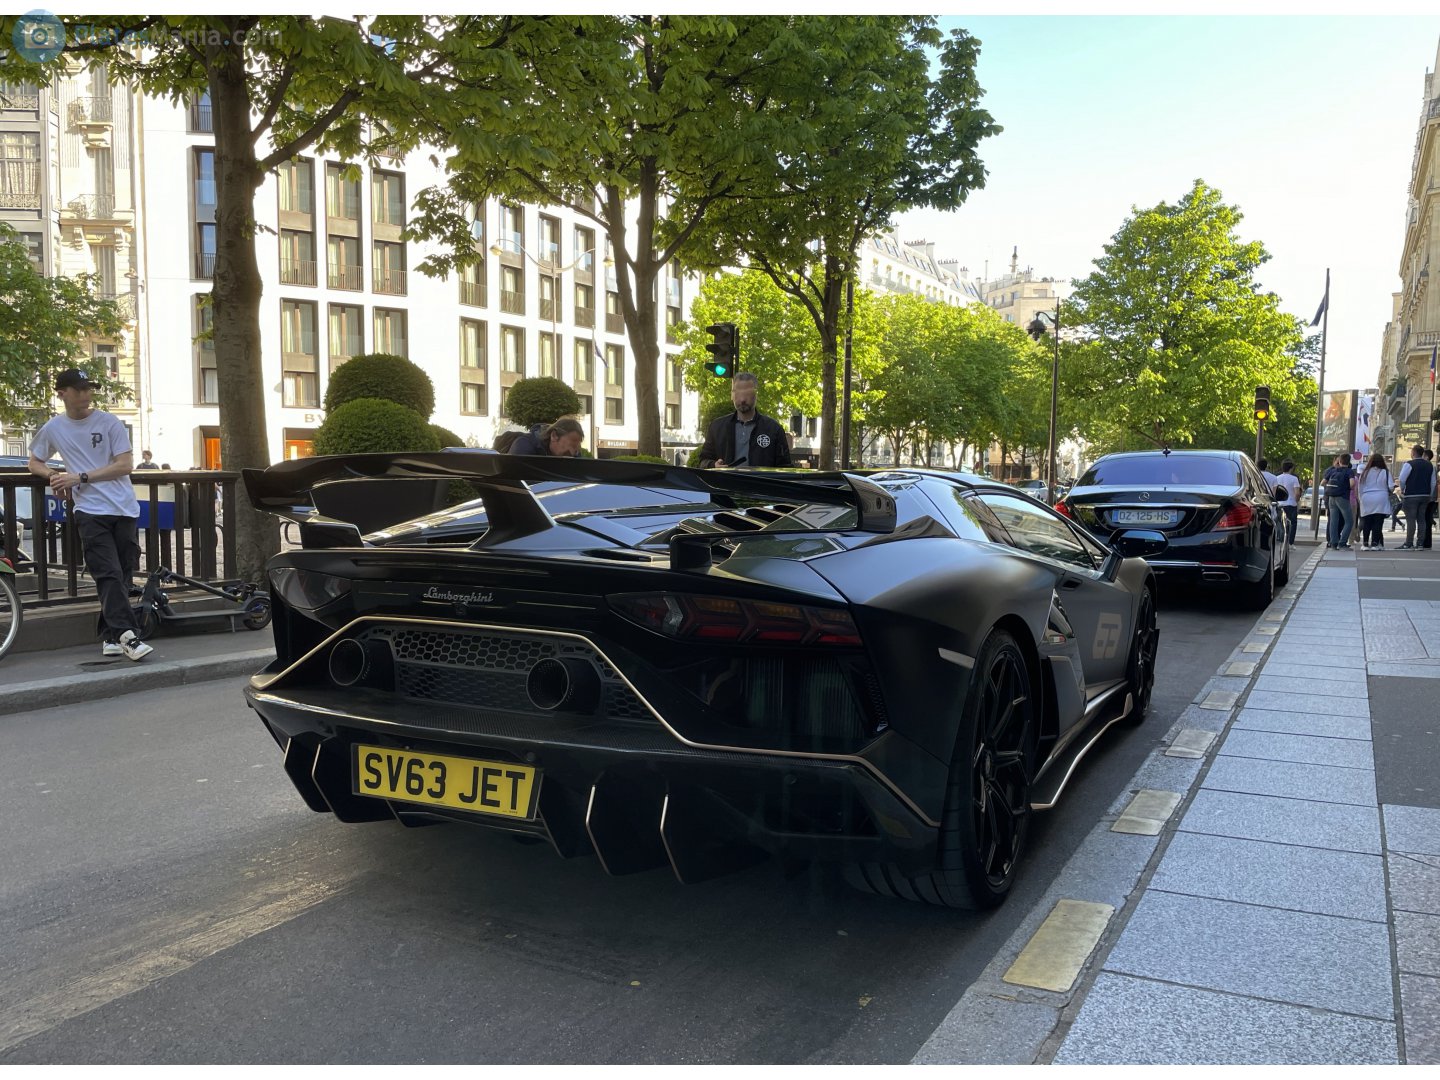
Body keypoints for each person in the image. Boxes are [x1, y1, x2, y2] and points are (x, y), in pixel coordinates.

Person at [27, 368, 152, 661]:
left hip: (123, 507)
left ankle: (110, 635)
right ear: (62, 393)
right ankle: (129, 637)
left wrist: (79, 478)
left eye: (89, 389)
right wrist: (53, 476)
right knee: (106, 572)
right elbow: (34, 461)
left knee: (121, 574)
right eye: (79, 389)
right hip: (89, 510)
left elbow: (125, 465)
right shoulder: (54, 428)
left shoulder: (109, 422)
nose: (86, 395)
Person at [698, 372, 792, 468]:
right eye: (738, 394)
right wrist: (713, 465)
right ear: (732, 395)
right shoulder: (717, 427)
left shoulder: (773, 429)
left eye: (747, 394)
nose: (742, 399)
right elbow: (703, 461)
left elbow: (785, 467)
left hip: (760, 483)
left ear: (756, 395)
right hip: (726, 482)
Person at [1397, 444, 1435, 551]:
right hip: (1425, 495)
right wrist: (1430, 494)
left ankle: (1409, 543)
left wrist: (1403, 490)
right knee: (1421, 519)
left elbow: (1402, 479)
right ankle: (1420, 544)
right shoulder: (1429, 465)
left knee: (1411, 519)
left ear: (1413, 453)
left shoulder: (1409, 464)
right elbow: (1433, 482)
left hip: (1411, 495)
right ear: (1422, 453)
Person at [1355, 452, 1392, 551]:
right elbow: (1391, 486)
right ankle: (1375, 543)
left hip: (1367, 497)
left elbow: (1360, 487)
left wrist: (1360, 499)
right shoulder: (1386, 472)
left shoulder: (1365, 472)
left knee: (1367, 521)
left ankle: (1365, 544)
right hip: (1381, 497)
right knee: (1378, 522)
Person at [1322, 452, 1356, 550]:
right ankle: (1342, 542)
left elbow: (1323, 482)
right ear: (1349, 462)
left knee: (1333, 521)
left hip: (1331, 498)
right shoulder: (1349, 471)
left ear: (1339, 461)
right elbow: (1352, 484)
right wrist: (1346, 488)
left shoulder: (1332, 471)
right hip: (1343, 497)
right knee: (1349, 521)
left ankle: (1333, 543)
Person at [504, 417, 585, 458]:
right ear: (554, 436)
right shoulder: (524, 446)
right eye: (572, 446)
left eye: (577, 449)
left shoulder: (573, 455)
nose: (573, 452)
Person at [1275, 459, 1302, 545]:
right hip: (1291, 504)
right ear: (1291, 468)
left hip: (1280, 504)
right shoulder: (1294, 479)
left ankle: (1282, 541)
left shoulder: (1277, 478)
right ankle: (1290, 543)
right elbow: (1297, 493)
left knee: (1281, 524)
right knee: (1292, 524)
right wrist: (1296, 501)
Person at [1425, 448, 1437, 550]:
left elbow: (1433, 483)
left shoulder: (1430, 467)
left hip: (1429, 497)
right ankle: (1426, 542)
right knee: (1427, 519)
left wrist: (1430, 495)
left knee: (1426, 519)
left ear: (1427, 457)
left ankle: (1426, 542)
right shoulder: (1431, 467)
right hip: (1431, 497)